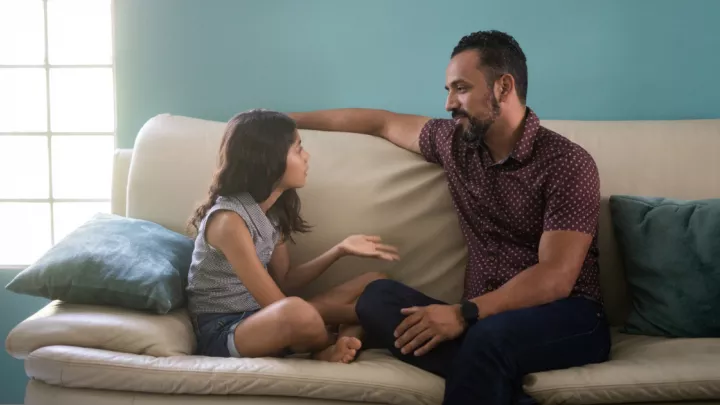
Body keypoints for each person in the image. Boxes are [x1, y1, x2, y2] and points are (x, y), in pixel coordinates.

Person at [288, 30, 611, 404]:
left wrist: (463, 314)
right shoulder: (454, 143)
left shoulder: (567, 162)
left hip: (569, 316)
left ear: (503, 87)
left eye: (460, 88)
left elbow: (555, 277)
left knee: (487, 339)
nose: (447, 104)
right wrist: (280, 120)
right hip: (481, 318)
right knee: (377, 298)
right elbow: (380, 122)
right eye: (448, 89)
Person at [185, 109, 400, 363]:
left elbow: (286, 280)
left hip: (262, 316)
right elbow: (276, 304)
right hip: (226, 330)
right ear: (269, 159)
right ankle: (327, 346)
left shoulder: (271, 214)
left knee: (375, 282)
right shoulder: (229, 221)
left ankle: (344, 338)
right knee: (296, 312)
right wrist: (359, 313)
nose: (307, 157)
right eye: (298, 149)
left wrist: (340, 249)